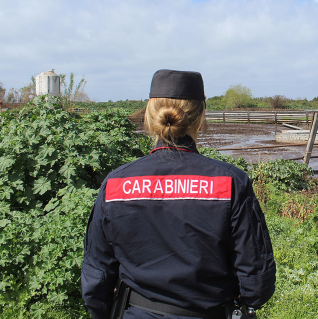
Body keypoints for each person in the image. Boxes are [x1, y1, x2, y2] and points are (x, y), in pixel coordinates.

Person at [81, 70, 276, 319]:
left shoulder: (116, 183)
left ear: (150, 116)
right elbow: (257, 281)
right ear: (201, 117)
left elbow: (96, 276)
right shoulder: (230, 182)